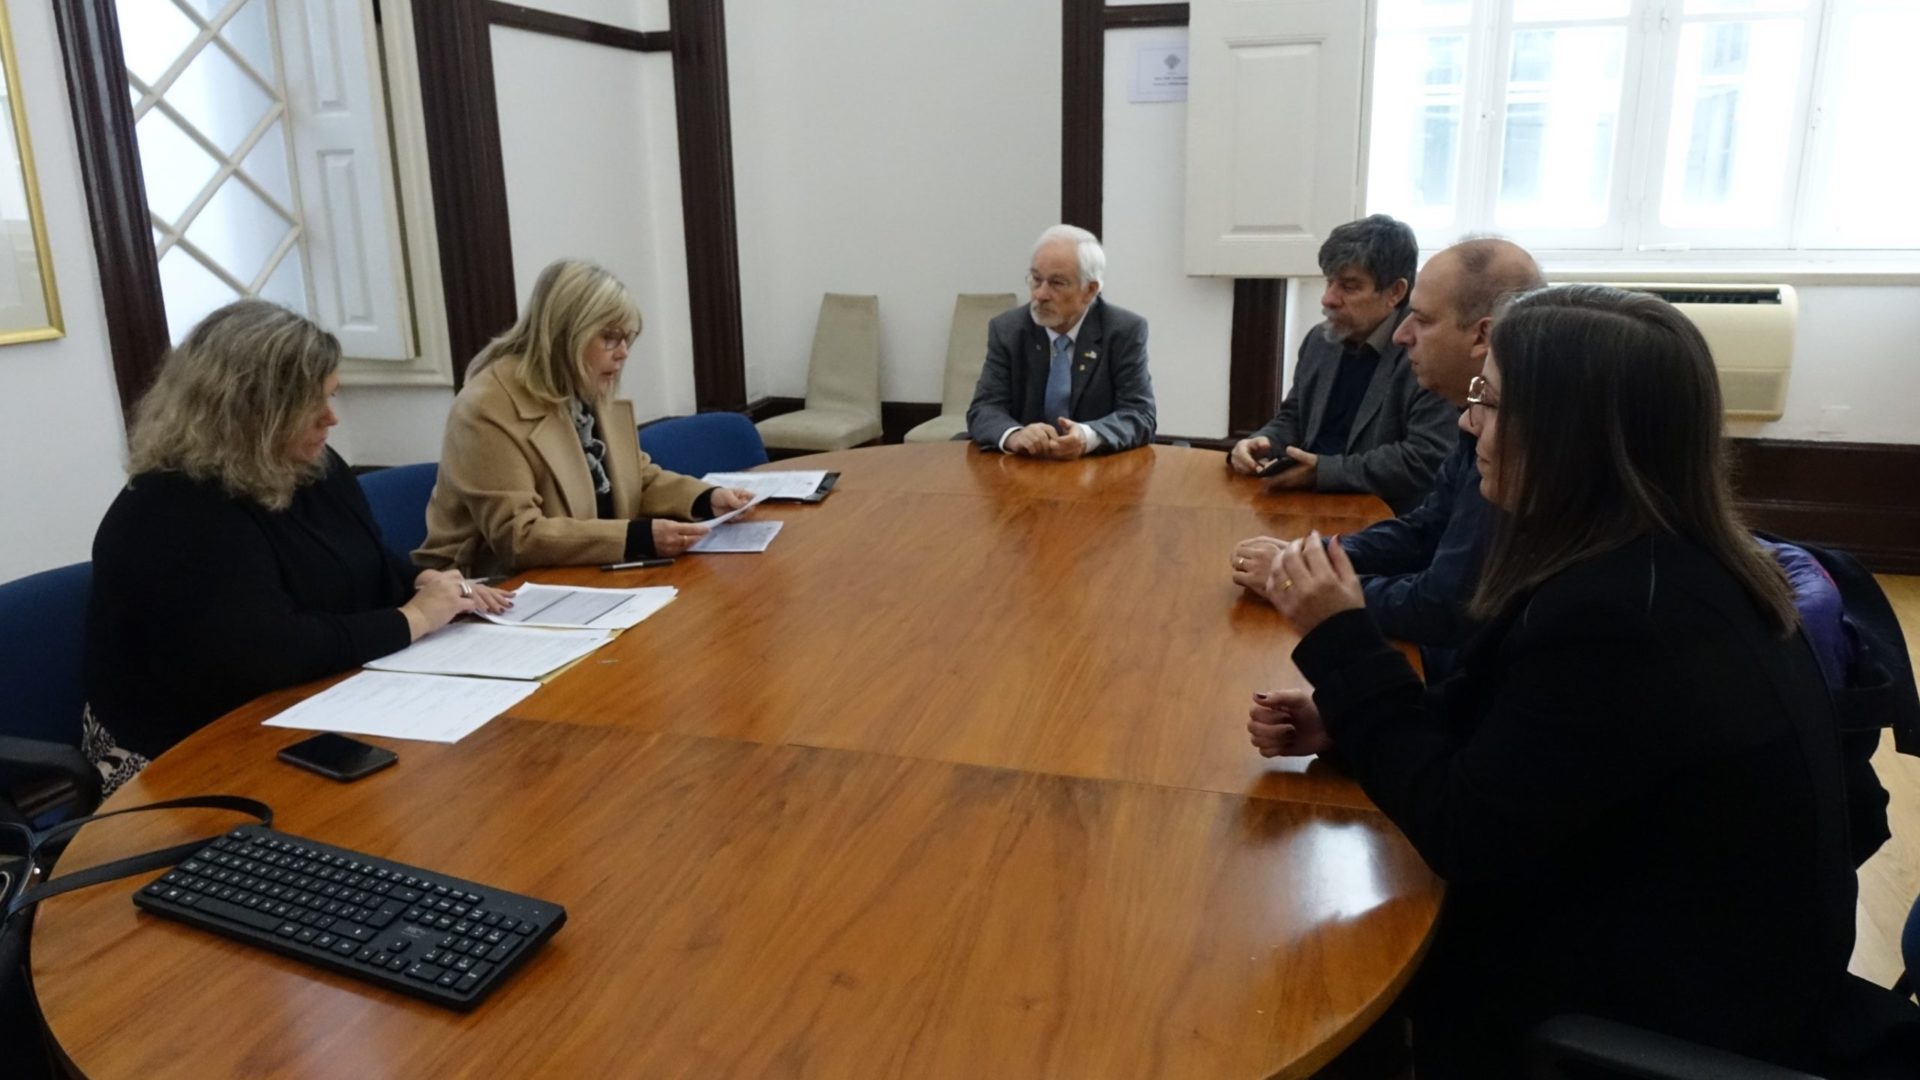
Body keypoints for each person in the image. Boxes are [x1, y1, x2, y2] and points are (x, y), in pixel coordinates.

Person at [1246, 286, 1857, 1075]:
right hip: (1669, 948)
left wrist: (1341, 641)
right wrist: (1350, 721)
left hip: (1640, 1018)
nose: (1469, 425)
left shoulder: (1624, 616)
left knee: (1301, 978)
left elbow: (1463, 831)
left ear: (1572, 437)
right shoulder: (1662, 561)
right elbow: (1534, 735)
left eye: (1490, 403)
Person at [86, 300, 511, 771]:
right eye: (313, 403)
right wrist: (412, 620)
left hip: (312, 705)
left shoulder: (314, 468)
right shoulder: (173, 510)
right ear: (252, 411)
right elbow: (263, 653)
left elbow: (362, 561)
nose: (332, 418)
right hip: (181, 748)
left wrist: (422, 582)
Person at [1231, 237, 1544, 680]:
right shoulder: (1478, 414)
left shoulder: (1518, 443)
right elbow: (1424, 529)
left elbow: (1441, 605)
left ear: (1484, 336)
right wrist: (1314, 558)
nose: (1402, 334)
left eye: (1420, 318)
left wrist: (1302, 586)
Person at [417, 259, 754, 576]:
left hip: (586, 576)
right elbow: (519, 537)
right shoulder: (487, 406)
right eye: (609, 337)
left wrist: (705, 498)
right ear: (566, 336)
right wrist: (639, 537)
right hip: (489, 591)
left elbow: (636, 478)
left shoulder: (585, 383)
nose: (623, 353)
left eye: (627, 339)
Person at [1227, 214, 1456, 513]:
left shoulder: (1426, 353)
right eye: (1329, 282)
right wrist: (1262, 442)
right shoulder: (1319, 341)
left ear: (1395, 292)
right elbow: (1295, 417)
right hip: (1305, 501)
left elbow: (1424, 458)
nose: (1328, 299)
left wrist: (1325, 472)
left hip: (1383, 517)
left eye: (1349, 286)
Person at [965, 224, 1156, 458]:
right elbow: (984, 408)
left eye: (1056, 283)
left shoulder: (1123, 331)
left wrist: (1087, 436)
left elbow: (1140, 415)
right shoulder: (1008, 329)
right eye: (1036, 279)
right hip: (1023, 469)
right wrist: (1014, 435)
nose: (1040, 294)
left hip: (1097, 472)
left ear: (1090, 290)